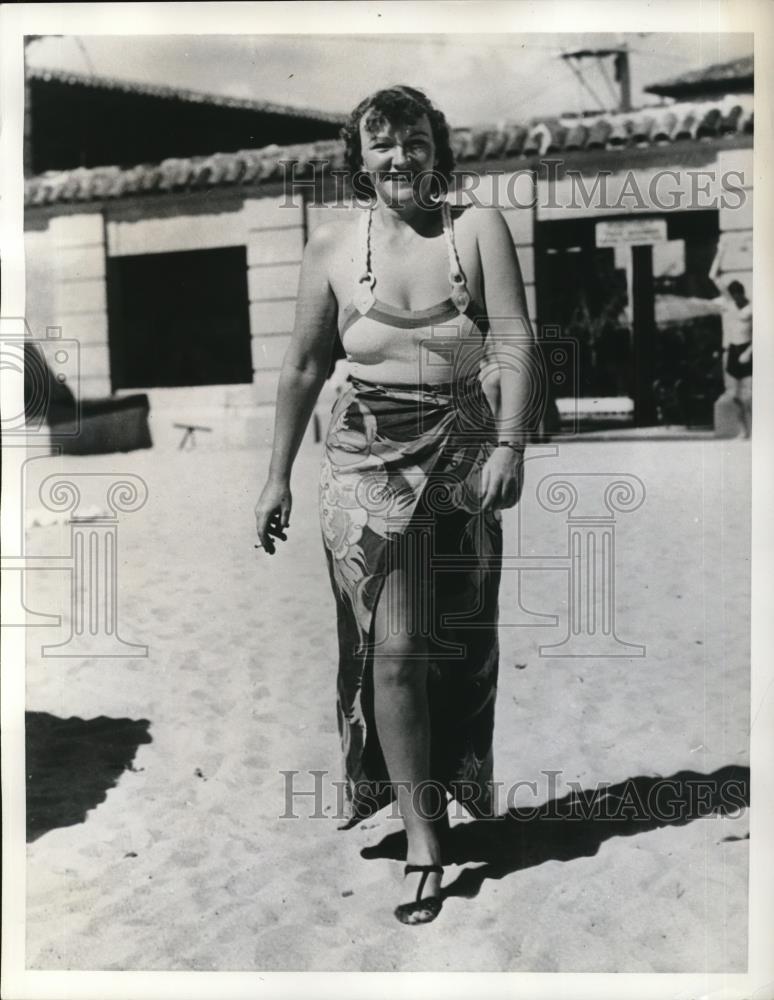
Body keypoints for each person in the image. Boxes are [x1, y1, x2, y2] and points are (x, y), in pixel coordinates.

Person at [254, 85, 537, 925]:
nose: (400, 158)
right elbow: (305, 367)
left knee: (451, 642)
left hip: (460, 451)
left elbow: (515, 339)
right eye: (382, 145)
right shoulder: (332, 246)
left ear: (436, 149)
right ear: (360, 159)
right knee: (396, 645)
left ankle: (431, 794)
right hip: (361, 463)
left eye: (415, 140)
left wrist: (510, 445)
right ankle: (424, 836)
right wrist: (276, 477)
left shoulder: (476, 229)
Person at [709, 245, 752, 438]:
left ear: (743, 293)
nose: (736, 299)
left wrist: (749, 352)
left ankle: (753, 430)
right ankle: (743, 430)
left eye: (738, 295)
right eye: (733, 296)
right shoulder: (730, 302)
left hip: (748, 349)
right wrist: (721, 251)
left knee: (750, 395)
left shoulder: (751, 309)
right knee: (734, 396)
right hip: (734, 349)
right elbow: (712, 276)